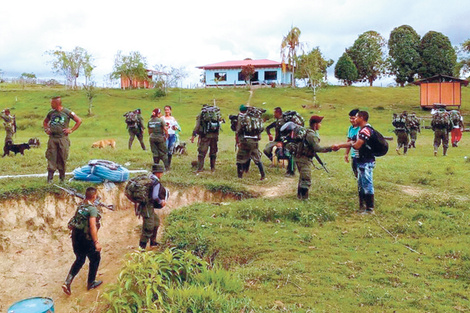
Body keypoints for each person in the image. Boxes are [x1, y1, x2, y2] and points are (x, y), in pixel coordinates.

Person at [282, 116, 336, 199]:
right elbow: (317, 148)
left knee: (302, 178)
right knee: (306, 179)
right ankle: (304, 199)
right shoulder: (311, 134)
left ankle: (299, 196)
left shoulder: (306, 131)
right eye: (319, 123)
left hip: (299, 157)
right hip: (303, 159)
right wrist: (330, 148)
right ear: (315, 124)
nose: (320, 125)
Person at [333, 111, 377, 214]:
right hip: (360, 160)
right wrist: (340, 145)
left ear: (361, 118)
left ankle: (370, 208)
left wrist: (344, 145)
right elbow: (351, 142)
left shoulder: (365, 131)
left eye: (356, 117)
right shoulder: (359, 131)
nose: (354, 119)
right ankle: (363, 206)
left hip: (366, 161)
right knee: (361, 183)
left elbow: (357, 145)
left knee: (367, 183)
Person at [62, 187, 103, 295]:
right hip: (86, 238)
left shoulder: (80, 205)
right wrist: (96, 242)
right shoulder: (92, 209)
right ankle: (91, 282)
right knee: (95, 258)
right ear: (94, 196)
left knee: (80, 259)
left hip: (76, 236)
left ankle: (67, 282)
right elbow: (92, 226)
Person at [43, 96, 82, 183]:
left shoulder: (67, 112)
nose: (51, 105)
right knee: (51, 157)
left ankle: (62, 179)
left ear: (57, 103)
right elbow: (45, 122)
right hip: (52, 138)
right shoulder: (51, 113)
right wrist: (46, 129)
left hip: (62, 139)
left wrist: (71, 130)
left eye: (52, 103)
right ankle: (50, 179)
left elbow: (79, 120)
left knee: (62, 157)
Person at [138, 163, 167, 249]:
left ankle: (153, 243)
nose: (161, 174)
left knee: (156, 222)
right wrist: (161, 201)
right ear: (158, 173)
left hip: (146, 206)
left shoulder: (149, 178)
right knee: (148, 226)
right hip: (147, 206)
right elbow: (155, 196)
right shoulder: (156, 182)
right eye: (161, 173)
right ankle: (141, 247)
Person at [236, 104, 266, 180]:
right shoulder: (257, 118)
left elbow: (238, 130)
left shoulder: (243, 118)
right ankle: (263, 175)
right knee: (257, 158)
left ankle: (240, 176)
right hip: (255, 141)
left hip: (246, 140)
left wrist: (238, 140)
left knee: (240, 158)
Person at [263, 107, 295, 176]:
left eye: (274, 113)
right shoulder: (277, 121)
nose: (274, 115)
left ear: (278, 113)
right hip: (276, 141)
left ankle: (290, 169)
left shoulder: (284, 122)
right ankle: (275, 162)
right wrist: (269, 134)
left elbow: (289, 133)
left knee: (287, 154)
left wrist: (282, 142)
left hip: (284, 141)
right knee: (266, 150)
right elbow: (268, 127)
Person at [190, 105, 221, 173]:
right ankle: (212, 168)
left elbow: (197, 126)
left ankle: (200, 169)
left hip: (205, 136)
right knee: (213, 152)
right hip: (215, 136)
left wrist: (193, 135)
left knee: (202, 152)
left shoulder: (201, 114)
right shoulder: (216, 114)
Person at [344, 109, 360, 178]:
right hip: (353, 155)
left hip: (361, 155)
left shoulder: (362, 128)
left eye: (353, 118)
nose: (351, 120)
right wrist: (346, 154)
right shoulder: (350, 128)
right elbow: (349, 141)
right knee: (355, 173)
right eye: (350, 118)